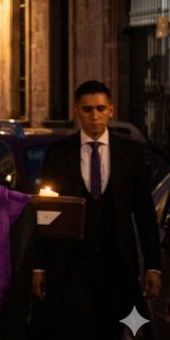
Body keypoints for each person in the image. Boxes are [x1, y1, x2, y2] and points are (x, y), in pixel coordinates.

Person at [31, 80, 161, 339]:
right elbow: (46, 213)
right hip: (72, 266)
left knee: (114, 331)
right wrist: (39, 266)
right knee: (77, 330)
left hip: (118, 266)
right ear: (76, 111)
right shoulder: (59, 154)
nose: (94, 116)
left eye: (100, 109)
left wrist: (153, 266)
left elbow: (145, 214)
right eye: (88, 109)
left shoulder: (130, 153)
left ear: (111, 111)